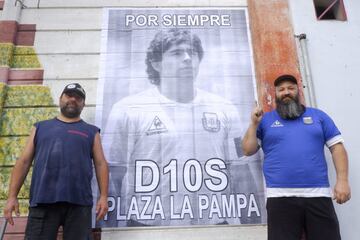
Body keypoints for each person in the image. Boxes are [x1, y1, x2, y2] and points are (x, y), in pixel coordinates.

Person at [102, 28, 264, 226]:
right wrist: (107, 232)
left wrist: (253, 229)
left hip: (213, 224)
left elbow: (240, 172)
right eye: (177, 53)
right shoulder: (127, 109)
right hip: (147, 224)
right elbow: (113, 176)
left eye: (192, 52)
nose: (188, 58)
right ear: (156, 63)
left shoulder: (224, 108)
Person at [242, 74, 351, 240]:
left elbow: (337, 148)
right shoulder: (265, 120)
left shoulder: (319, 117)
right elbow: (248, 150)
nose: (286, 92)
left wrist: (342, 181)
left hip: (318, 194)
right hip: (279, 197)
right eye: (281, 89)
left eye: (291, 88)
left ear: (298, 91)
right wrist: (254, 123)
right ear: (275, 94)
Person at [3, 83, 109, 240]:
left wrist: (104, 197)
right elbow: (23, 162)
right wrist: (12, 197)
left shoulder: (92, 131)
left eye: (78, 98)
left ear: (83, 104)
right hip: (42, 201)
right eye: (69, 95)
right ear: (61, 99)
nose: (73, 99)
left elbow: (101, 164)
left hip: (79, 204)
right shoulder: (40, 128)